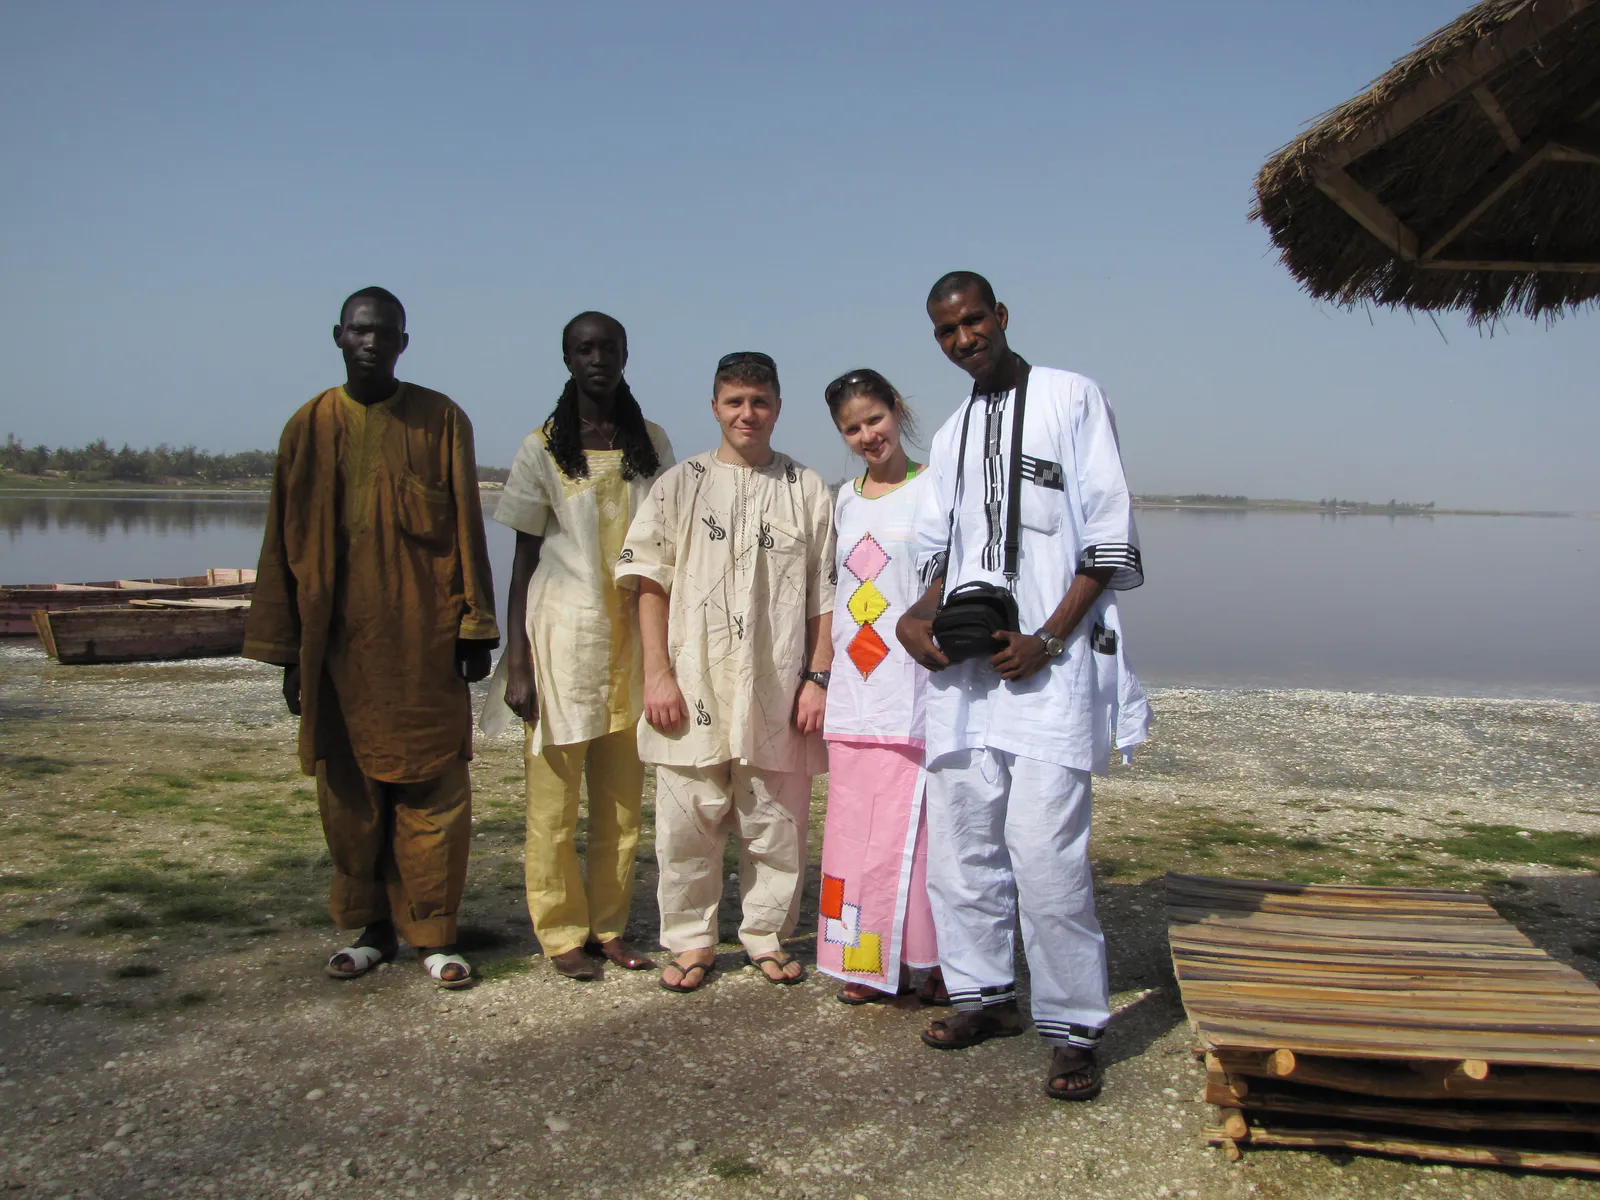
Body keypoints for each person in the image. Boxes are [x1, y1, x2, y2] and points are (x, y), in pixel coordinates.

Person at [896, 271, 1150, 1100]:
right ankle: (985, 995)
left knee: (1046, 858)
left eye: (974, 321)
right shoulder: (950, 434)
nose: (964, 339)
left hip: (1050, 671)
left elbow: (1107, 535)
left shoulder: (1072, 399)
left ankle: (1074, 1025)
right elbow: (937, 546)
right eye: (947, 330)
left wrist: (1047, 638)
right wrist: (917, 617)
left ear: (1002, 316)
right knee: (962, 848)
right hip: (967, 680)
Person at [244, 286, 499, 990]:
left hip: (423, 644)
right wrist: (288, 652)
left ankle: (434, 935)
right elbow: (280, 544)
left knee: (434, 791)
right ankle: (371, 930)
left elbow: (468, 535)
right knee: (351, 793)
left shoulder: (440, 420)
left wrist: (475, 626)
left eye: (384, 332)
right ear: (337, 336)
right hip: (337, 650)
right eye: (359, 330)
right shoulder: (308, 427)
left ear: (402, 343)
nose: (370, 342)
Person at [616, 351, 835, 993]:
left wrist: (817, 678)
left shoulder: (806, 488)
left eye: (759, 401)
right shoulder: (679, 484)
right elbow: (647, 581)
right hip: (692, 683)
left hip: (778, 686)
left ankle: (766, 936)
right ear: (715, 407)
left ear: (777, 407)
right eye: (735, 401)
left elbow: (827, 592)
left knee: (776, 824)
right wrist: (657, 673)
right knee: (687, 826)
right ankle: (690, 942)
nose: (748, 413)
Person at [485, 311, 673, 980]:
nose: (597, 359)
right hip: (562, 638)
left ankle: (611, 925)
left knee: (623, 804)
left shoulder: (650, 442)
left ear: (626, 354)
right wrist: (517, 661)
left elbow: (668, 548)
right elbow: (522, 559)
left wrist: (669, 657)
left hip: (633, 640)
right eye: (583, 349)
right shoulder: (542, 447)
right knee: (554, 804)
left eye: (608, 348)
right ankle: (560, 929)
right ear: (566, 359)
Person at [815, 369, 946, 1007]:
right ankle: (862, 962)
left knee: (921, 834)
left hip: (915, 692)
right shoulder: (844, 500)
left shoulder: (936, 489)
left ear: (897, 410)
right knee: (851, 833)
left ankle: (935, 963)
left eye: (875, 419)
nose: (868, 435)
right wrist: (818, 675)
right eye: (852, 428)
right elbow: (835, 595)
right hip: (853, 696)